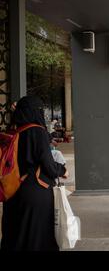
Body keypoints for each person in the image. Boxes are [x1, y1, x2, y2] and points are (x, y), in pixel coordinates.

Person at [1, 96, 69, 251]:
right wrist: (63, 170)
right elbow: (49, 166)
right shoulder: (38, 132)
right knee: (38, 237)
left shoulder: (12, 131)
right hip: (36, 193)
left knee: (16, 235)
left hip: (12, 191)